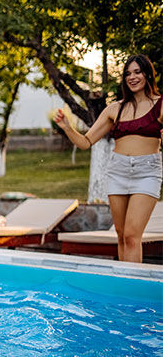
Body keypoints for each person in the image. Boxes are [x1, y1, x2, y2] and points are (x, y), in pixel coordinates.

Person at [54, 54, 162, 263]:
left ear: (148, 74)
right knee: (121, 236)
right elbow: (86, 142)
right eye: (128, 73)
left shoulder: (160, 104)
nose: (132, 77)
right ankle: (124, 286)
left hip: (147, 172)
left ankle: (131, 290)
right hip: (118, 172)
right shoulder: (115, 108)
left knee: (132, 236)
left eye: (137, 72)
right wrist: (68, 127)